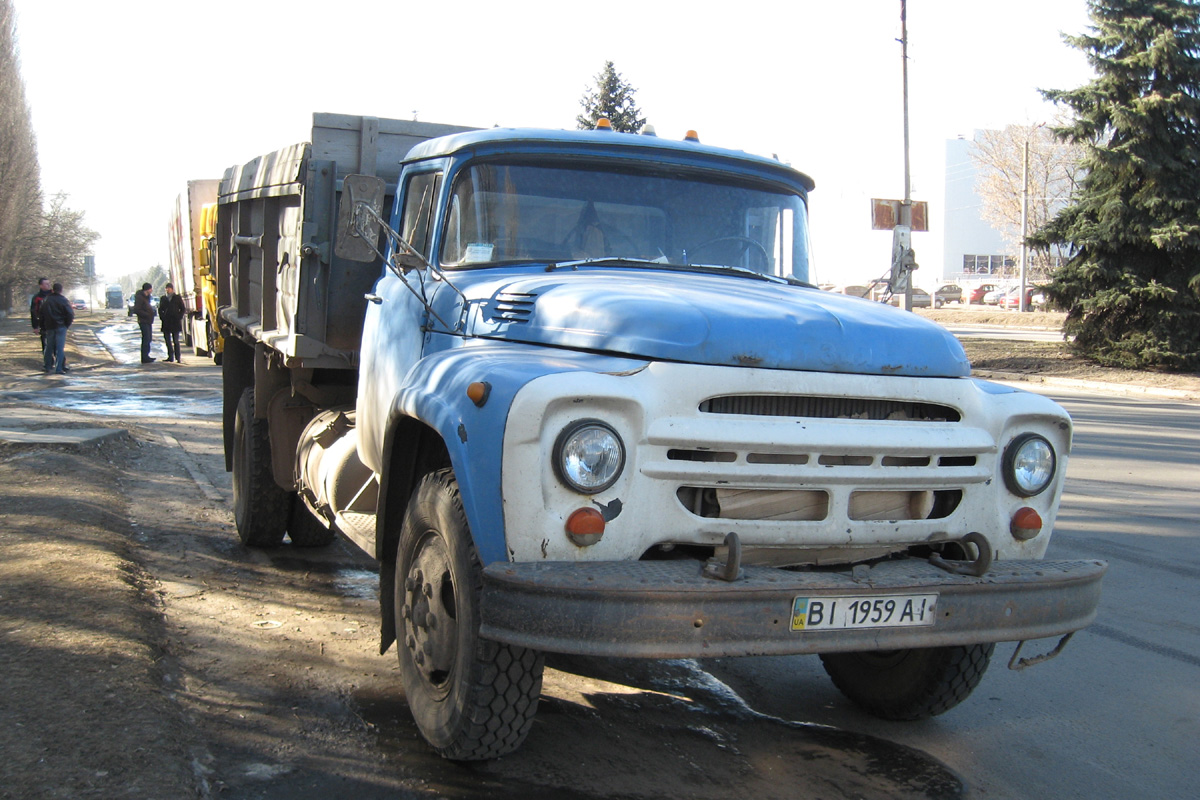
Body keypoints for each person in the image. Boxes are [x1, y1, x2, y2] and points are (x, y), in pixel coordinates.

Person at [39, 282, 75, 374]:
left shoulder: (46, 300)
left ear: (53, 289)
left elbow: (41, 314)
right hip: (61, 326)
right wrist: (66, 325)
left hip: (49, 327)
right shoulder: (63, 300)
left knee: (49, 347)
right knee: (60, 348)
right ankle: (59, 368)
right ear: (61, 290)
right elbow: (70, 314)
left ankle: (47, 366)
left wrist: (43, 327)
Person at [158, 282, 185, 363]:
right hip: (166, 322)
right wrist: (162, 317)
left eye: (169, 288)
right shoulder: (163, 298)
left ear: (172, 289)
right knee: (167, 340)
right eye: (166, 288)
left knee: (176, 341)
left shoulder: (176, 298)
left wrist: (179, 317)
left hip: (175, 322)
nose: (167, 290)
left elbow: (182, 308)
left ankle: (178, 357)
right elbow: (160, 309)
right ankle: (170, 356)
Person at [133, 282, 157, 363]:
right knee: (146, 338)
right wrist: (146, 314)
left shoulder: (147, 297)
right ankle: (144, 357)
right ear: (147, 289)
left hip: (148, 321)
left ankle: (147, 355)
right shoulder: (140, 297)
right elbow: (137, 309)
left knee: (149, 338)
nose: (151, 290)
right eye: (150, 288)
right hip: (143, 320)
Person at [30, 277, 52, 361]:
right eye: (46, 284)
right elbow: (33, 312)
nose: (48, 285)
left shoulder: (53, 295)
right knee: (45, 344)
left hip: (55, 324)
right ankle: (48, 363)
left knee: (56, 345)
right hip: (43, 325)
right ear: (41, 285)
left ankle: (59, 364)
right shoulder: (37, 297)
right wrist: (35, 326)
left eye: (49, 283)